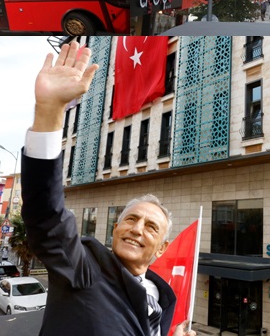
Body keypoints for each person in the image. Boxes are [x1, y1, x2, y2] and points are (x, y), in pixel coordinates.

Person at [23, 42, 194, 336]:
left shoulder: (163, 299)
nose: (137, 229)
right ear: (115, 229)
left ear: (162, 248)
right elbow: (47, 216)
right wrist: (49, 111)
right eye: (131, 219)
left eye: (152, 227)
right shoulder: (84, 268)